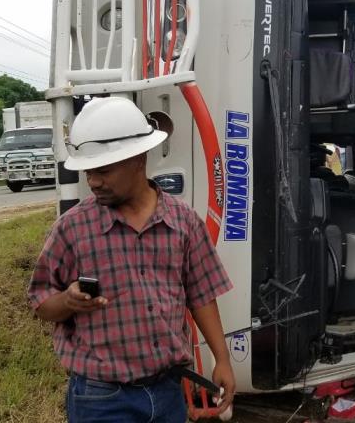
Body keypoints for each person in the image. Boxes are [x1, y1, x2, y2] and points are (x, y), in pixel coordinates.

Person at [28, 97, 236, 421]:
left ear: (138, 159)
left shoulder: (183, 221)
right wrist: (68, 301)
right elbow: (41, 303)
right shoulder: (72, 229)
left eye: (104, 170)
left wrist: (221, 359)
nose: (93, 181)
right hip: (102, 399)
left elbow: (201, 294)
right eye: (88, 172)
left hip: (168, 392)